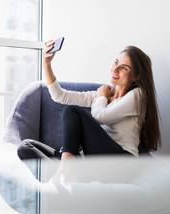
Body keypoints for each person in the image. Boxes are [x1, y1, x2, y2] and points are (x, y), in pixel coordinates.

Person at [17, 41, 161, 161]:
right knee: (26, 147)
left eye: (124, 68)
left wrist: (101, 97)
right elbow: (60, 96)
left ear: (136, 76)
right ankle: (70, 171)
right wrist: (46, 64)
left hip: (122, 160)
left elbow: (99, 116)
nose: (115, 69)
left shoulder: (138, 95)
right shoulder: (103, 95)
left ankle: (66, 168)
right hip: (94, 160)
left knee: (72, 111)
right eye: (116, 63)